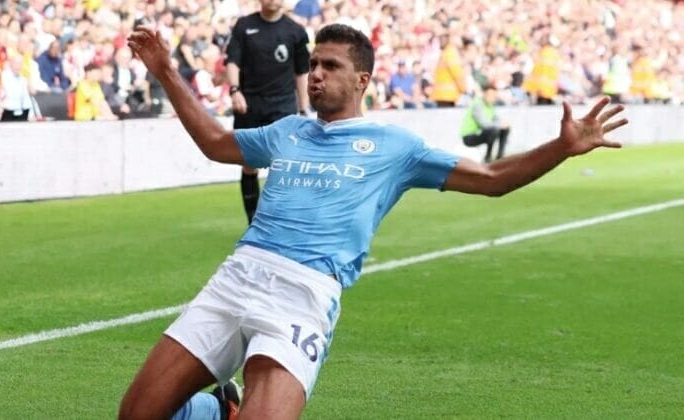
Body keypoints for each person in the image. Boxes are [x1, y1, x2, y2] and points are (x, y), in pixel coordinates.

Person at [122, 23, 628, 419]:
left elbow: (492, 176)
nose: (315, 73)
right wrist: (167, 70)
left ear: (361, 80)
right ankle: (216, 410)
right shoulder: (288, 130)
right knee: (137, 414)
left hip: (303, 295)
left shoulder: (396, 147)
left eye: (330, 65)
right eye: (313, 63)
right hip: (239, 275)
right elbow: (215, 143)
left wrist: (563, 147)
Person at [225, 0, 310, 224]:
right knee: (249, 164)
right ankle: (253, 220)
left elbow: (302, 72)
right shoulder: (244, 26)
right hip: (249, 103)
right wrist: (234, 90)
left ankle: (281, 219)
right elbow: (232, 61)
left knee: (285, 162)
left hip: (282, 106)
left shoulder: (296, 31)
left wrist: (303, 107)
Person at [460, 85, 510, 163]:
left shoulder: (490, 106)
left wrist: (502, 125)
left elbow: (496, 120)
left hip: (481, 133)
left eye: (494, 96)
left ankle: (500, 157)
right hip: (469, 136)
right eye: (490, 95)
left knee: (505, 129)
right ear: (484, 94)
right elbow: (484, 124)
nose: (492, 98)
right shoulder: (477, 104)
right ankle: (488, 157)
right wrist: (499, 125)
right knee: (494, 130)